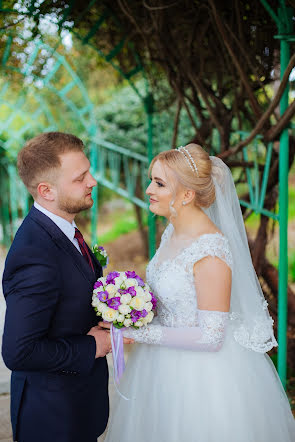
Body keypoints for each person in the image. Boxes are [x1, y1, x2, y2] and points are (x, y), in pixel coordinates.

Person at [102, 143, 295, 442]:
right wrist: (131, 310)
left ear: (187, 195)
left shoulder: (210, 251)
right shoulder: (172, 231)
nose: (149, 189)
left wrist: (138, 333)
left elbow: (210, 336)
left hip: (201, 378)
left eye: (159, 183)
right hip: (158, 366)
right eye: (152, 180)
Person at [1, 132, 133, 442]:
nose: (93, 182)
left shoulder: (61, 230)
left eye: (88, 171)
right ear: (46, 190)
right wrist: (94, 346)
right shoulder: (36, 253)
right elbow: (18, 352)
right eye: (80, 178)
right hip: (52, 419)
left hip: (78, 406)